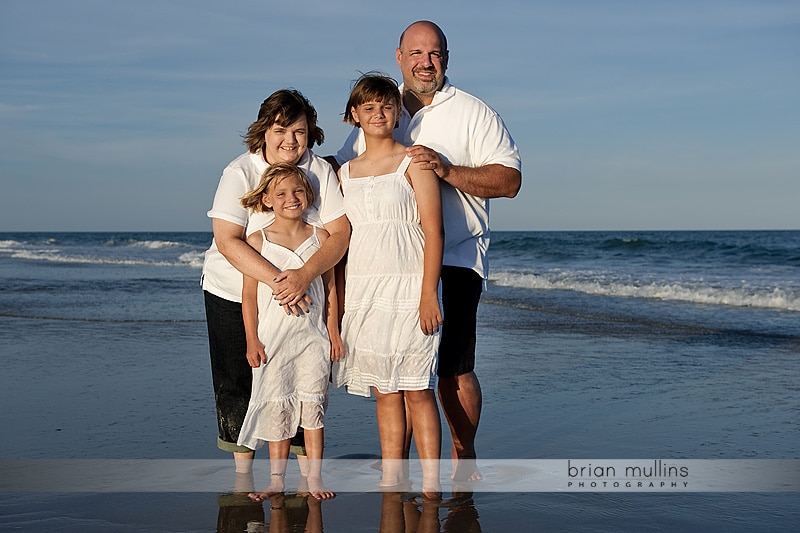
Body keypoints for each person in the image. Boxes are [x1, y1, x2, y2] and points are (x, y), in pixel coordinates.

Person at [334, 21, 522, 482]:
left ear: (447, 58)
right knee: (395, 375)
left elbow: (510, 182)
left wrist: (448, 169)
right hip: (392, 264)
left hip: (457, 255)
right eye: (416, 53)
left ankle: (463, 455)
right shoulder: (380, 106)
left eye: (435, 53)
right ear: (399, 56)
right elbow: (339, 173)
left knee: (451, 369)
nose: (425, 62)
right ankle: (400, 465)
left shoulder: (473, 113)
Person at [202, 90, 349, 473]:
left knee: (301, 378)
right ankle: (243, 472)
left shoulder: (319, 172)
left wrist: (304, 276)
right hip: (234, 291)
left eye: (300, 131)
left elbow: (340, 234)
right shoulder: (240, 171)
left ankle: (303, 475)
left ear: (311, 133)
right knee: (239, 378)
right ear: (263, 131)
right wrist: (281, 282)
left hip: (304, 295)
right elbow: (227, 238)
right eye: (280, 129)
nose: (290, 140)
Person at [331, 73, 444, 497]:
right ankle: (394, 478)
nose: (378, 113)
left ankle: (432, 484)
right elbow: (341, 241)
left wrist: (428, 293)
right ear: (354, 116)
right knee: (385, 393)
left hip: (411, 287)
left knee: (417, 388)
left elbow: (434, 231)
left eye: (386, 106)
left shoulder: (414, 161)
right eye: (369, 107)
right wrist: (339, 309)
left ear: (397, 113)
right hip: (365, 289)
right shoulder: (345, 173)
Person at [237, 163, 340, 501]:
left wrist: (334, 333)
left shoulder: (320, 238)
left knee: (313, 408)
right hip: (273, 340)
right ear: (266, 200)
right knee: (277, 409)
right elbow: (249, 296)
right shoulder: (257, 241)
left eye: (297, 191)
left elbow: (332, 289)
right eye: (280, 194)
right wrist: (251, 339)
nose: (291, 198)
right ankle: (277, 480)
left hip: (313, 339)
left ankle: (315, 478)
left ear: (308, 195)